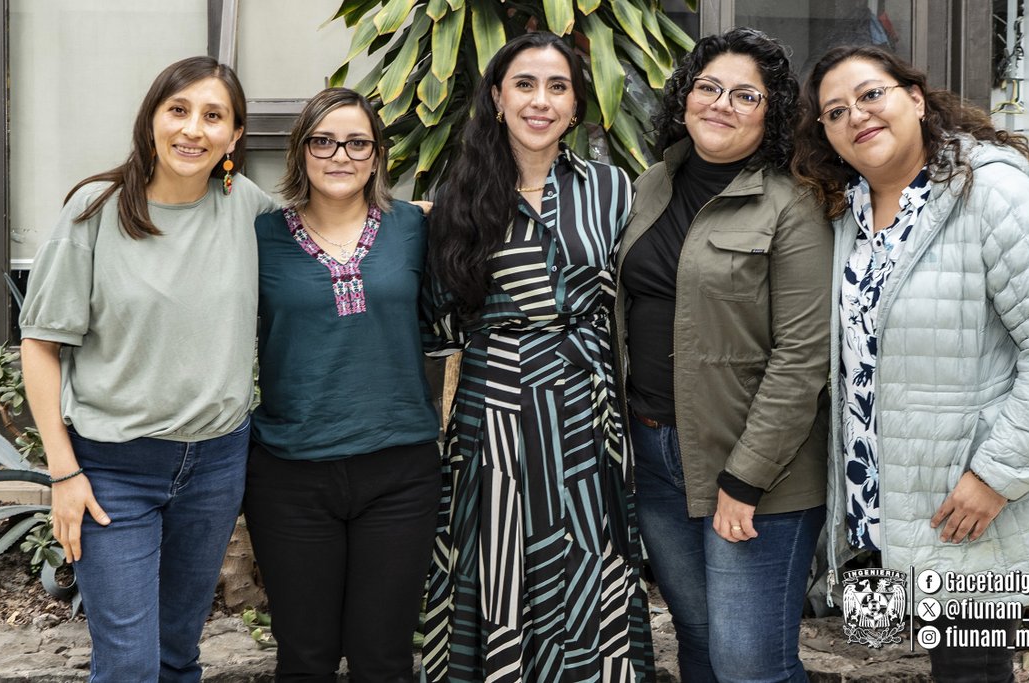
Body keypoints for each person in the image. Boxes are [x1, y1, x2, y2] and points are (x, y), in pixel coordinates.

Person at [792, 45, 1029, 682]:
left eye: (870, 94)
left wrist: (996, 475)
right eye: (836, 111)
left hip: (973, 500)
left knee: (971, 672)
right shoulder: (846, 210)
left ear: (915, 98)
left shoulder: (988, 190)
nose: (857, 115)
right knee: (919, 664)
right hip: (884, 501)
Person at [18, 56, 276, 681]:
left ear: (234, 136)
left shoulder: (245, 205)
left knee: (177, 653)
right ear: (152, 118)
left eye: (213, 116)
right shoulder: (95, 209)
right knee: (129, 664)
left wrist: (420, 218)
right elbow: (40, 343)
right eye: (178, 110)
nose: (193, 129)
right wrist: (64, 473)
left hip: (216, 464)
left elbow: (330, 228)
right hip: (112, 469)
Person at [422, 31, 654, 683]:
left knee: (588, 556)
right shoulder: (457, 195)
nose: (540, 101)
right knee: (496, 561)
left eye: (558, 87)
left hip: (586, 411)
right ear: (497, 98)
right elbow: (438, 314)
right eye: (524, 84)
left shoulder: (612, 189)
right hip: (494, 412)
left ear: (576, 106)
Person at [614, 28, 831, 683]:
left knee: (749, 663)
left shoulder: (791, 203)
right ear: (685, 97)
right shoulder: (651, 185)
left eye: (745, 95)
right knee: (700, 640)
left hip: (756, 468)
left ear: (771, 114)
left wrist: (745, 479)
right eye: (709, 87)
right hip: (655, 452)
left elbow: (803, 355)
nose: (721, 104)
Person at [242, 87, 440, 682]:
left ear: (377, 155)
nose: (340, 155)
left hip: (398, 470)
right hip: (291, 475)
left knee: (384, 658)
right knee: (305, 658)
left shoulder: (414, 227)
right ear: (300, 151)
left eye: (357, 143)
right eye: (323, 141)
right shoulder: (258, 236)